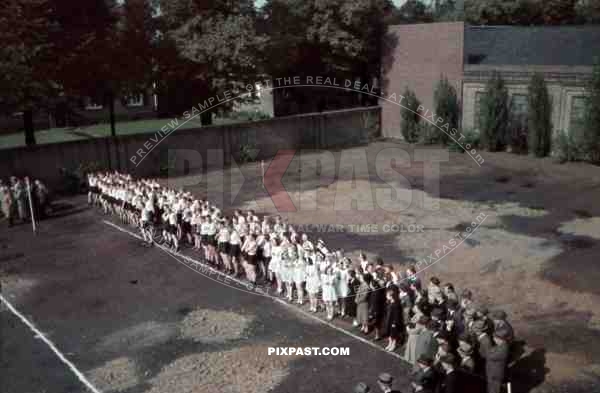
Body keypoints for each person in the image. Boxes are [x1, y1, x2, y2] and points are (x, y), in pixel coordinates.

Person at [383, 286, 403, 352]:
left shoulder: (396, 304)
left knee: (393, 334)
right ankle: (390, 343)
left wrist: (394, 323)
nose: (386, 296)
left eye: (387, 295)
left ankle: (393, 344)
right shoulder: (389, 302)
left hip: (393, 322)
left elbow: (397, 315)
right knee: (389, 333)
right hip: (388, 320)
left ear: (391, 296)